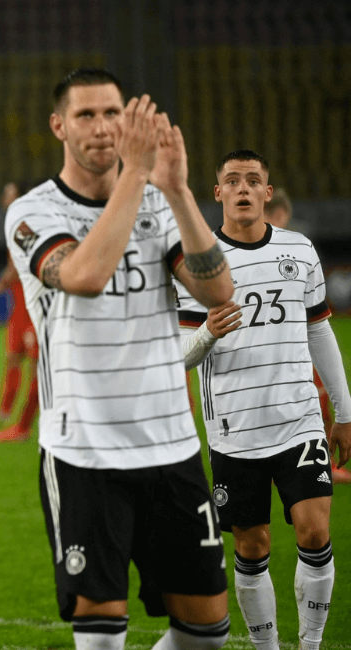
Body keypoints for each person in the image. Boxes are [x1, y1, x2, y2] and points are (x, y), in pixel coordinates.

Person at [4, 68, 235, 650]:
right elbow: (83, 275)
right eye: (86, 115)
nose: (102, 127)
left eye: (113, 113)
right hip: (85, 452)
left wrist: (179, 190)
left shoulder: (160, 202)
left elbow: (217, 292)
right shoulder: (33, 212)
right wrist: (136, 174)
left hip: (171, 444)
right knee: (103, 631)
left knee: (206, 630)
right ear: (59, 126)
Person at [176, 150, 351, 650]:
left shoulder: (299, 251)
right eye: (233, 180)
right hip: (235, 429)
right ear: (218, 193)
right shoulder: (197, 263)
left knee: (315, 532)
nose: (244, 188)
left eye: (254, 180)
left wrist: (345, 412)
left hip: (299, 422)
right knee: (252, 548)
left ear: (268, 193)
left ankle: (311, 645)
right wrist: (208, 332)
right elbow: (179, 357)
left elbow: (319, 332)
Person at [263, 188, 351, 483]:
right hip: (295, 344)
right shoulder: (289, 252)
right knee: (315, 396)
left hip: (283, 344)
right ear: (278, 214)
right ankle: (323, 462)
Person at [0, 182, 39, 442]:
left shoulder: (26, 227)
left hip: (34, 307)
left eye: (9, 194)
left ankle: (23, 427)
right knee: (13, 359)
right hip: (19, 306)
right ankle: (4, 415)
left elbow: (22, 266)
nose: (4, 198)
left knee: (37, 366)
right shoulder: (15, 225)